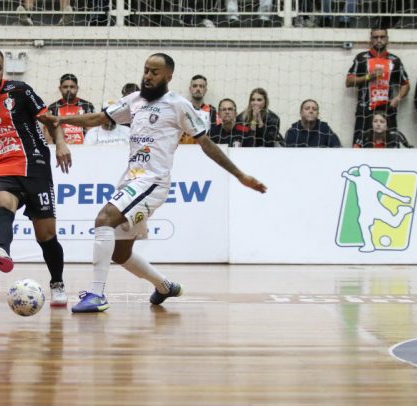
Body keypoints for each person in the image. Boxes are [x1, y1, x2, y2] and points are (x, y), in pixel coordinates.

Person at [51, 53, 267, 313]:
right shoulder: (134, 100)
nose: (148, 76)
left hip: (153, 182)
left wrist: (240, 175)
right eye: (146, 70)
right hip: (131, 180)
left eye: (154, 72)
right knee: (120, 253)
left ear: (168, 76)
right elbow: (99, 119)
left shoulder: (178, 104)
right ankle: (165, 286)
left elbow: (206, 143)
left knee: (104, 219)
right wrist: (60, 120)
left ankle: (97, 294)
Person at [0, 47, 72, 307]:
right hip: (1, 166)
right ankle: (1, 250)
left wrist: (61, 143)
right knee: (0, 203)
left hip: (35, 165)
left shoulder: (20, 90)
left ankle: (57, 284)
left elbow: (49, 119)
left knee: (46, 236)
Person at [345, 28, 410, 145]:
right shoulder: (361, 58)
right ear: (371, 40)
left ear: (387, 39)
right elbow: (349, 82)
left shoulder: (395, 60)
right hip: (365, 109)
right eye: (375, 37)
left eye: (382, 37)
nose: (379, 40)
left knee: (390, 145)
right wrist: (369, 77)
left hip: (387, 111)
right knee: (359, 145)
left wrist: (397, 98)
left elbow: (405, 84)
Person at [45, 73, 96, 144]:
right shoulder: (53, 108)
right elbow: (48, 135)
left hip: (83, 148)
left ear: (77, 88)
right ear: (60, 89)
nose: (68, 89)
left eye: (72, 87)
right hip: (61, 149)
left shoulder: (87, 106)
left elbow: (91, 132)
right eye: (65, 87)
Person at [180, 74, 218, 143]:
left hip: (204, 147)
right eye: (195, 86)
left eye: (201, 86)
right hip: (185, 147)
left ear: (205, 90)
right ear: (190, 89)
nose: (198, 89)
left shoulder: (212, 110)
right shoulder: (183, 108)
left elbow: (216, 132)